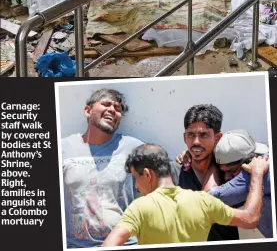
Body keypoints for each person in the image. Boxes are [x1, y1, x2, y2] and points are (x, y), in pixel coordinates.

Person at [101, 143, 269, 247]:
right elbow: (250, 218)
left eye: (135, 178)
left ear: (147, 174)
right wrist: (257, 174)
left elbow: (109, 246)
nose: (137, 187)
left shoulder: (138, 208)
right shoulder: (204, 201)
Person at [61, 88, 143, 248]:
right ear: (87, 110)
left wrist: (186, 157)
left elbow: (162, 174)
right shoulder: (62, 148)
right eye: (106, 104)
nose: (112, 110)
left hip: (125, 244)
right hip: (77, 246)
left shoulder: (133, 147)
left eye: (117, 109)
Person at [171, 104, 239, 241]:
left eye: (204, 135)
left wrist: (215, 165)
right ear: (185, 138)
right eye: (191, 135)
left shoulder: (231, 171)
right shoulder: (174, 172)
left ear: (218, 137)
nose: (196, 142)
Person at [207, 129, 272, 238]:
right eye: (223, 171)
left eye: (232, 170)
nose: (227, 177)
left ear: (249, 161)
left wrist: (208, 164)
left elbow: (207, 200)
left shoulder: (257, 173)